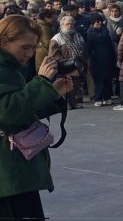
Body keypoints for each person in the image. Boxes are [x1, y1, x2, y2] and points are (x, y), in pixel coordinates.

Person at [0, 15, 72, 219]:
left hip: (13, 168)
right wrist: (41, 82)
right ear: (4, 42)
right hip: (8, 172)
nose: (30, 54)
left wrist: (53, 93)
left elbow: (22, 112)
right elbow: (6, 111)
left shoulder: (10, 68)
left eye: (33, 48)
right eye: (24, 47)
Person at [48, 15, 87, 110]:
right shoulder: (56, 38)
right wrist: (64, 63)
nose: (70, 26)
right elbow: (53, 55)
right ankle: (65, 104)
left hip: (77, 65)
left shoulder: (78, 36)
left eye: (72, 24)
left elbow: (84, 49)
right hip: (65, 66)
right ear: (62, 25)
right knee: (65, 85)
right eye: (67, 24)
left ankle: (72, 103)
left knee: (75, 85)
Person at [84, 13, 115, 106]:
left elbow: (110, 46)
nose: (99, 23)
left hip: (107, 59)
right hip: (95, 60)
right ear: (92, 24)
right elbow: (88, 48)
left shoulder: (105, 31)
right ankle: (98, 98)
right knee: (98, 80)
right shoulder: (89, 33)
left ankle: (107, 97)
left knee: (107, 79)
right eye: (97, 22)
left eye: (101, 21)